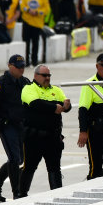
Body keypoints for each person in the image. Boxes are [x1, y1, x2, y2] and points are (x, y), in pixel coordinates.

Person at [19, 65, 71, 197]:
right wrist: (54, 107)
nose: (47, 78)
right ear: (36, 76)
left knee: (54, 168)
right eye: (44, 75)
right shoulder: (29, 88)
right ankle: (21, 194)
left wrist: (66, 106)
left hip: (53, 137)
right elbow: (35, 104)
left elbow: (64, 106)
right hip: (34, 137)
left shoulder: (56, 90)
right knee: (30, 167)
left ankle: (57, 194)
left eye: (49, 76)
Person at [77, 53, 103, 180]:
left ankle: (102, 181)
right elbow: (83, 110)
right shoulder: (90, 84)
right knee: (96, 165)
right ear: (97, 66)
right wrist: (83, 131)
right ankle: (92, 184)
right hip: (95, 131)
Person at [0, 55, 31, 201]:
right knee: (14, 158)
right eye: (18, 67)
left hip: (21, 125)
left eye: (23, 66)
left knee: (18, 160)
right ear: (10, 66)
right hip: (6, 125)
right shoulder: (1, 83)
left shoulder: (24, 82)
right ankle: (16, 193)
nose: (21, 69)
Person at [20, 0, 49, 66]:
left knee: (35, 43)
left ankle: (34, 61)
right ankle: (26, 61)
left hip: (37, 23)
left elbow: (46, 9)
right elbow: (22, 5)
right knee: (26, 42)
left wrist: (38, 12)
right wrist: (28, 10)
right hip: (27, 21)